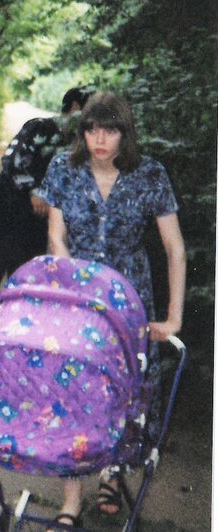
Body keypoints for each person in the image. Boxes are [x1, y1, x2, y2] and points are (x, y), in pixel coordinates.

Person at [35, 92, 186, 527]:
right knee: (70, 389)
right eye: (91, 129)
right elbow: (56, 238)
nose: (100, 139)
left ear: (125, 132)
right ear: (82, 131)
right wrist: (74, 288)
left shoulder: (150, 174)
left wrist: (174, 317)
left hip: (129, 297)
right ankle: (69, 497)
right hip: (77, 296)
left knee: (123, 388)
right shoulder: (64, 167)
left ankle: (112, 471)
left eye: (111, 129)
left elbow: (175, 249)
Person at [0, 86, 94, 345]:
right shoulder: (39, 127)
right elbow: (12, 159)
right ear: (76, 106)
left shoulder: (84, 142)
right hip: (11, 202)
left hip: (44, 215)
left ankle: (18, 332)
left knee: (29, 271)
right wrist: (33, 189)